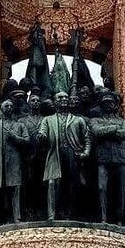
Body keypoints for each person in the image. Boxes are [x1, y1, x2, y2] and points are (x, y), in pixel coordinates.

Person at [38, 92, 91, 221]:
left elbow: (86, 138)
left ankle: (70, 214)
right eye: (60, 97)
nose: (64, 99)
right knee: (52, 183)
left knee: (71, 184)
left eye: (66, 97)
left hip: (72, 154)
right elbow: (42, 132)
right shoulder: (47, 120)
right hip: (54, 153)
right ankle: (51, 214)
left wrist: (85, 153)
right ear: (55, 101)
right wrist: (42, 137)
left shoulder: (78, 120)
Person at [89, 92, 125, 224]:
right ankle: (103, 218)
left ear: (115, 105)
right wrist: (114, 129)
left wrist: (107, 131)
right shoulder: (95, 120)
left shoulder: (122, 121)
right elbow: (96, 131)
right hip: (103, 158)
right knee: (102, 188)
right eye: (105, 103)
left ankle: (119, 219)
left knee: (121, 190)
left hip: (120, 159)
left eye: (110, 103)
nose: (108, 105)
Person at [0, 100, 29, 225]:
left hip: (15, 162)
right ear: (2, 108)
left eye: (11, 106)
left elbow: (27, 140)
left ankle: (17, 218)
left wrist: (15, 137)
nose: (9, 108)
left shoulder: (19, 125)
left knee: (16, 188)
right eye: (6, 106)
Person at [19, 94, 45, 220]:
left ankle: (41, 210)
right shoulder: (22, 121)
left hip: (43, 157)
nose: (35, 102)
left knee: (42, 184)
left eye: (37, 101)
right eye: (33, 100)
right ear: (29, 103)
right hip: (27, 158)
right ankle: (28, 210)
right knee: (28, 185)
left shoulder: (46, 119)